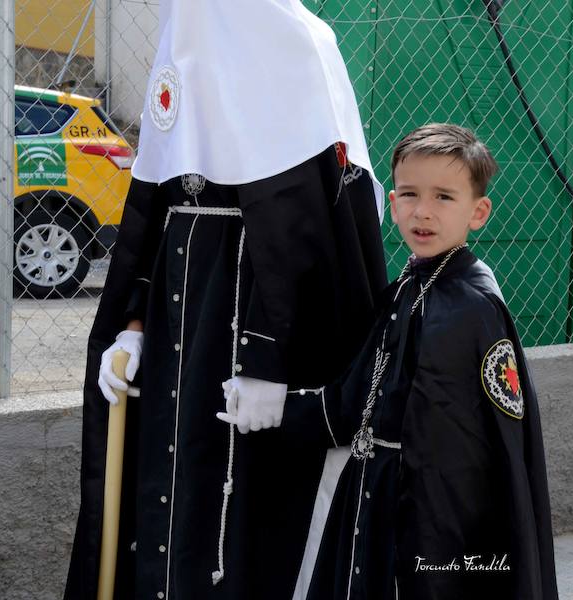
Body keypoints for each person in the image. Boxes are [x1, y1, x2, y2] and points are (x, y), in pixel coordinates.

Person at [64, 1, 387, 598]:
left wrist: (270, 361)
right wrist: (132, 325)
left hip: (248, 327)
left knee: (233, 498)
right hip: (174, 317)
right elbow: (151, 214)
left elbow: (306, 225)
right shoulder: (184, 32)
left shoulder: (294, 41)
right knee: (165, 471)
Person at [263, 123, 559, 599]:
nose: (422, 212)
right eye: (409, 194)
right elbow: (356, 397)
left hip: (431, 524)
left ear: (477, 212)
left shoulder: (473, 308)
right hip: (379, 501)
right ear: (393, 201)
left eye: (444, 197)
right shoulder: (407, 287)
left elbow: (464, 451)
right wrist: (278, 407)